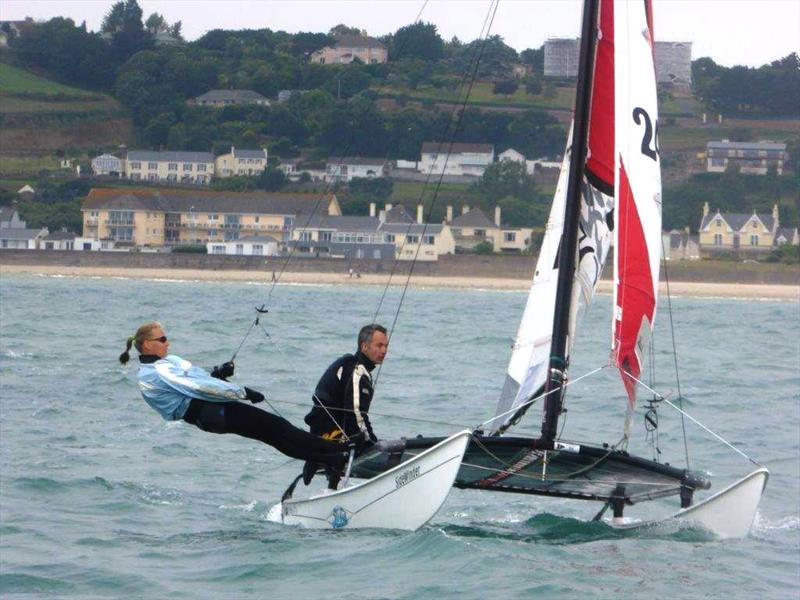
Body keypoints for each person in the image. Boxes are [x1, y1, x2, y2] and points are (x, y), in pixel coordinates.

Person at [119, 321, 347, 467]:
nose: (168, 343)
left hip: (208, 415)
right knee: (278, 427)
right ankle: (342, 453)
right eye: (162, 339)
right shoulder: (158, 371)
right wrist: (242, 392)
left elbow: (196, 381)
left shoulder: (160, 365)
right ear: (147, 345)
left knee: (273, 435)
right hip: (211, 411)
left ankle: (331, 459)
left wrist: (217, 374)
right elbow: (196, 388)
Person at [302, 323, 389, 489]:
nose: (384, 351)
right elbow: (355, 414)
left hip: (319, 433)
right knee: (363, 442)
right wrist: (373, 445)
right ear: (364, 346)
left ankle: (324, 471)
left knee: (356, 440)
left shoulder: (351, 364)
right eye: (379, 345)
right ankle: (327, 471)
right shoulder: (358, 371)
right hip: (331, 433)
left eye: (386, 346)